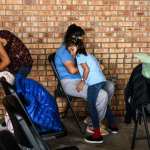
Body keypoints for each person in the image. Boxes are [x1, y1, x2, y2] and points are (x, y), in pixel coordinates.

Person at [55, 24, 119, 138]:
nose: (82, 40)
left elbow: (86, 62)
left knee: (110, 86)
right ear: (72, 37)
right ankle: (93, 125)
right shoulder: (64, 51)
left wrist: (95, 66)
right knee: (102, 95)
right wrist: (92, 68)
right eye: (80, 37)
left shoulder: (77, 48)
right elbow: (73, 70)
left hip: (84, 78)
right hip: (70, 82)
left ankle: (94, 117)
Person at [66, 38, 107, 143]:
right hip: (101, 80)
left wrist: (82, 82)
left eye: (72, 49)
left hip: (94, 83)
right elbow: (97, 66)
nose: (71, 53)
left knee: (91, 106)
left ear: (78, 47)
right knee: (104, 101)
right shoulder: (87, 54)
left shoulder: (79, 56)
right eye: (69, 51)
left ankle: (97, 135)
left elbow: (86, 69)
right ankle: (113, 126)